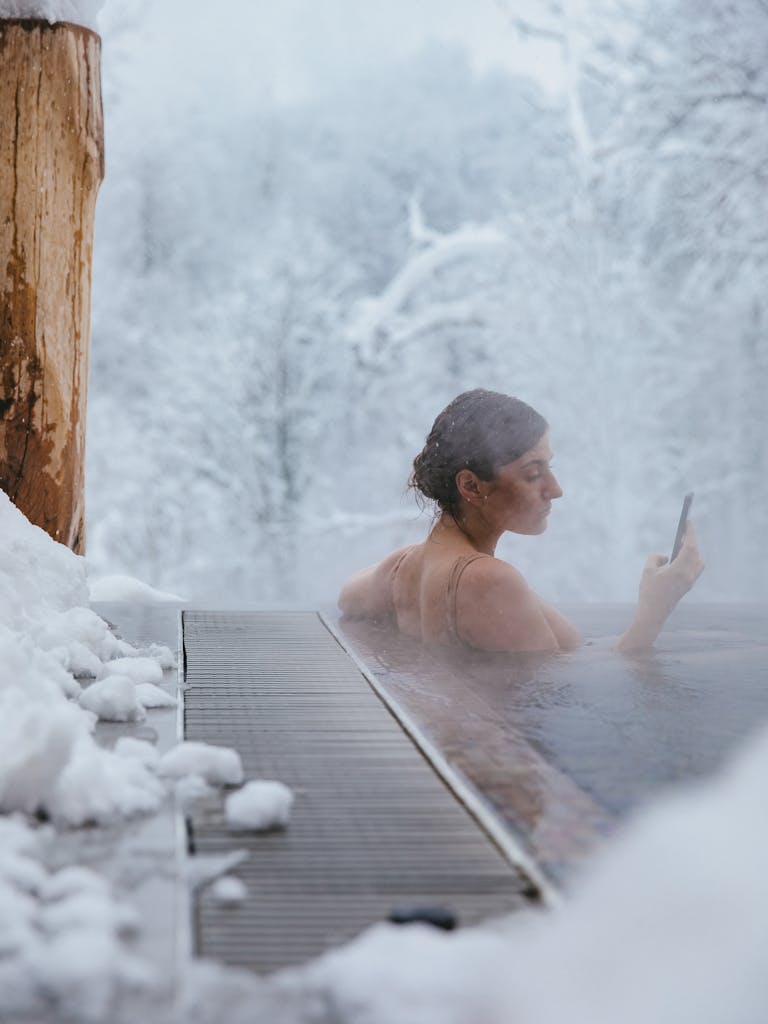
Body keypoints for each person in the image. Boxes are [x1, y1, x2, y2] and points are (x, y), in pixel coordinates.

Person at [338, 389, 704, 653]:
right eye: (533, 474)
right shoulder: (487, 581)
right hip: (488, 755)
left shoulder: (401, 566)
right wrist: (655, 611)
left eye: (550, 468)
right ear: (470, 485)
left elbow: (347, 597)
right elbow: (583, 691)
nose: (555, 489)